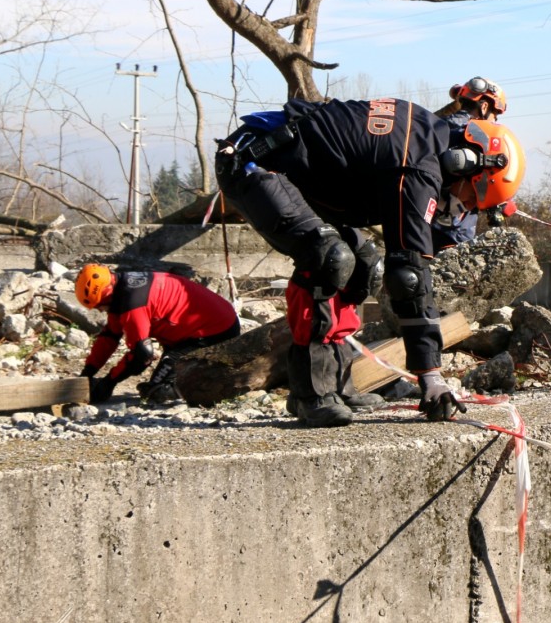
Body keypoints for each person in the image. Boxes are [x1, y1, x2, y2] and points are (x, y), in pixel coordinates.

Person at [215, 96, 525, 427]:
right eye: (470, 198)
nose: (463, 208)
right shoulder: (419, 167)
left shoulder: (426, 140)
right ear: (464, 164)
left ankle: (337, 380)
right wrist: (431, 376)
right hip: (253, 161)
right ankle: (309, 393)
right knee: (328, 258)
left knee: (364, 266)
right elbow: (410, 276)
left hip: (295, 173)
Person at [73, 263, 242, 404]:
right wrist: (86, 374)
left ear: (107, 295)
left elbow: (142, 356)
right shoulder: (122, 286)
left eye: (98, 306)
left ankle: (211, 385)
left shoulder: (133, 303)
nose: (100, 311)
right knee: (156, 384)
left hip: (216, 332)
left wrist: (108, 384)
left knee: (158, 393)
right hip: (204, 325)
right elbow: (109, 337)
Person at [431, 76, 516, 248]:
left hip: (423, 227)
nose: (494, 123)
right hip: (450, 235)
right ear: (485, 106)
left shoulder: (438, 127)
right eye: (495, 117)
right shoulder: (471, 139)